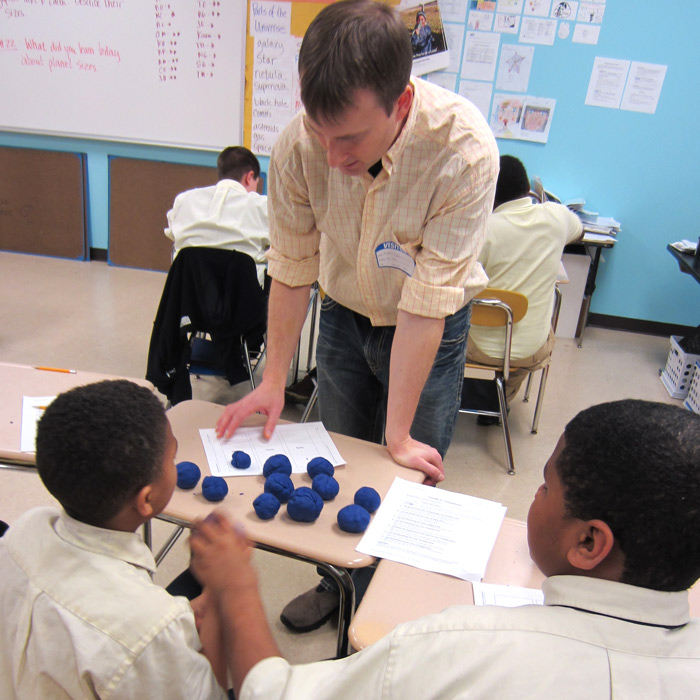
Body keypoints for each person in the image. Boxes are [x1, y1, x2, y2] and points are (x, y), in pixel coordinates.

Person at [216, 0, 498, 630]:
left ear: (400, 104)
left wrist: (397, 434)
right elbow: (291, 265)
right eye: (321, 131)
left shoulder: (463, 150)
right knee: (337, 463)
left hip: (430, 326)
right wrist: (270, 381)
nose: (332, 154)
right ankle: (336, 581)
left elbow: (426, 305)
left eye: (349, 138)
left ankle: (384, 599)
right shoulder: (300, 145)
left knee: (404, 472)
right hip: (343, 317)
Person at [191, 398, 700, 699]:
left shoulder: (454, 648)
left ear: (589, 541)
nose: (535, 498)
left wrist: (236, 589)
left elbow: (278, 695)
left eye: (545, 487)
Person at [0, 380, 228, 699]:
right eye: (172, 458)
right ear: (146, 500)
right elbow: (204, 691)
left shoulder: (26, 527)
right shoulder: (148, 629)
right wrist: (224, 596)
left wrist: (177, 620)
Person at [467, 155, 582, 423]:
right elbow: (579, 233)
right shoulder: (556, 217)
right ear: (528, 190)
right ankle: (501, 397)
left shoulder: (482, 229)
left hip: (478, 348)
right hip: (531, 350)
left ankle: (452, 395)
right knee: (537, 335)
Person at [165, 145, 270, 287]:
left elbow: (173, 234)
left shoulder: (184, 200)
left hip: (191, 296)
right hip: (244, 301)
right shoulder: (261, 206)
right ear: (249, 177)